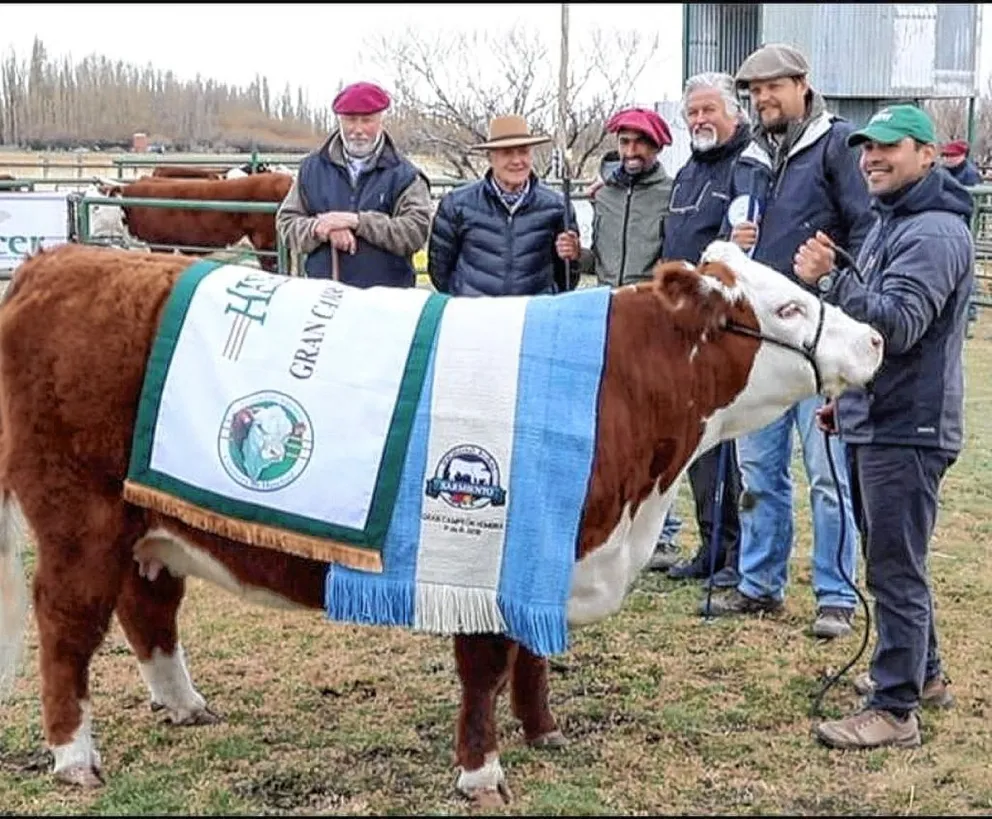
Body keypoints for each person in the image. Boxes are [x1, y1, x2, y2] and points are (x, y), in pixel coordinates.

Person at [793, 104, 973, 749]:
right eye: (868, 149)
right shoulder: (891, 223)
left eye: (889, 148)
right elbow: (879, 343)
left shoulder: (932, 233)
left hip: (910, 428)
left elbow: (896, 326)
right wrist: (849, 401)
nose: (872, 158)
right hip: (884, 419)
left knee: (895, 568)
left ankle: (895, 711)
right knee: (896, 559)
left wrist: (831, 279)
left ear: (927, 156)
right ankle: (923, 676)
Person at [703, 43, 875, 639]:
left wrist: (832, 267)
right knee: (759, 468)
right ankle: (759, 582)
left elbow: (868, 232)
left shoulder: (836, 145)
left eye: (772, 87)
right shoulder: (748, 159)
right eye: (753, 92)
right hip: (760, 341)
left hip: (819, 337)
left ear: (803, 84)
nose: (763, 99)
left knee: (827, 473)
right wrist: (738, 243)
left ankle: (835, 595)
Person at [563, 106, 686, 569]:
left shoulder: (672, 195)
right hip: (606, 314)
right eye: (624, 142)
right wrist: (579, 255)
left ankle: (664, 531)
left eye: (640, 143)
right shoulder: (605, 195)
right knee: (607, 425)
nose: (631, 151)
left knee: (654, 429)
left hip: (651, 321)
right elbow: (601, 260)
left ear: (656, 148)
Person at [659, 72, 751, 589]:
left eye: (708, 110)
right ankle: (711, 545)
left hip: (724, 323)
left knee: (729, 441)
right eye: (692, 113)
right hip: (684, 323)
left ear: (731, 113)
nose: (699, 120)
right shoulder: (690, 170)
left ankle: (737, 552)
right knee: (698, 441)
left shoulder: (746, 166)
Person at [276, 81, 432, 286]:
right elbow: (287, 221)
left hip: (387, 302)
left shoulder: (405, 175)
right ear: (339, 120)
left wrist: (357, 222)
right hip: (323, 298)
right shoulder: (311, 169)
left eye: (367, 120)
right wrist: (320, 228)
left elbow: (415, 232)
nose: (358, 129)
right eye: (350, 120)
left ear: (380, 120)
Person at [427, 114, 580, 296]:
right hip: (476, 315)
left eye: (523, 151)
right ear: (490, 158)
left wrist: (574, 256)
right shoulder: (456, 204)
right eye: (507, 153)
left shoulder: (557, 206)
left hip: (532, 314)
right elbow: (440, 270)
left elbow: (567, 278)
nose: (517, 161)